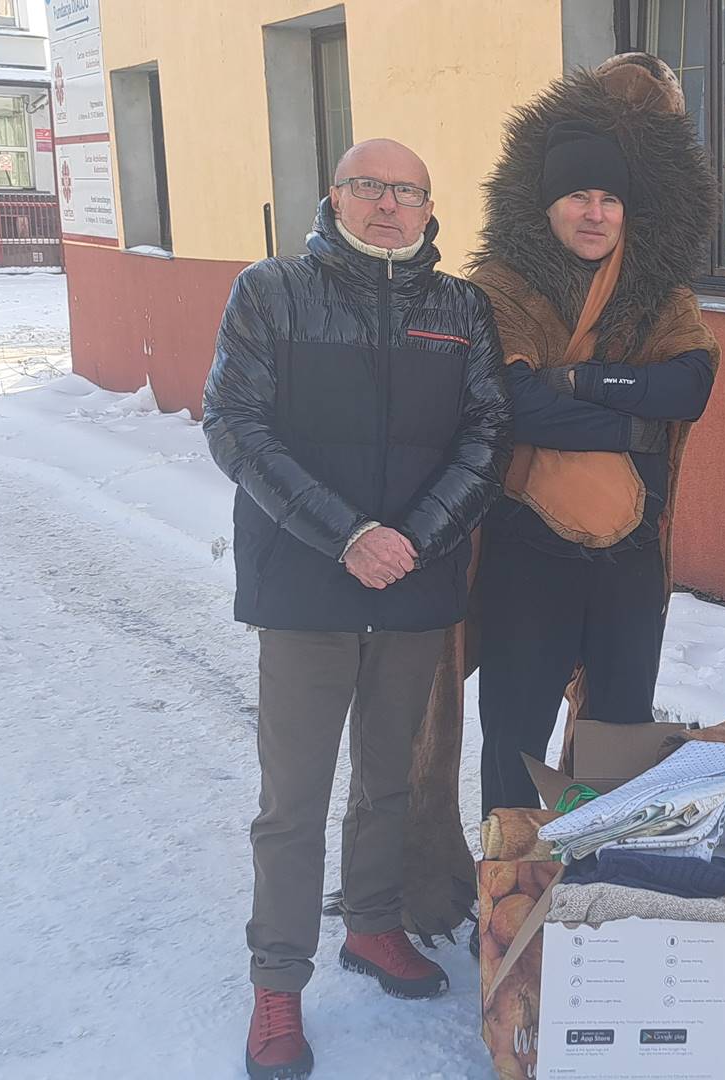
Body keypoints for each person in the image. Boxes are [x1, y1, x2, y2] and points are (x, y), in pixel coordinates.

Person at [391, 55, 721, 948]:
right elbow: (513, 402)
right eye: (579, 196)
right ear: (547, 205)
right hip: (526, 552)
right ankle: (509, 905)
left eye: (610, 199)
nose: (595, 213)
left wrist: (578, 382)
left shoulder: (659, 294)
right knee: (516, 736)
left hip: (629, 557)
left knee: (617, 737)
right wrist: (632, 417)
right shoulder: (503, 287)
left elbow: (691, 386)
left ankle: (593, 902)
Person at [203, 138, 513, 1080]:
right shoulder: (272, 292)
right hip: (306, 586)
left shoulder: (460, 309)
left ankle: (374, 924)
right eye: (369, 187)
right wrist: (348, 535)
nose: (388, 205)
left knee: (389, 780)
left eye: (406, 191)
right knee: (292, 799)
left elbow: (488, 432)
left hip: (414, 580)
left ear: (429, 208)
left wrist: (412, 537)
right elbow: (235, 425)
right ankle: (277, 981)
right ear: (334, 196)